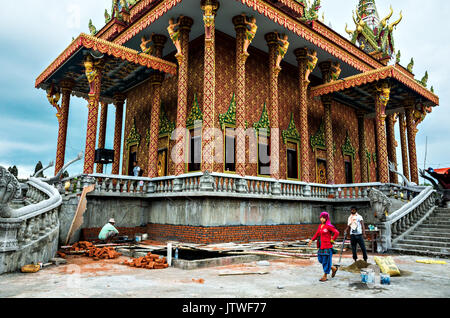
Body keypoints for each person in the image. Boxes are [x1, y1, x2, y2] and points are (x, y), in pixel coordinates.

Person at [308, 212, 339, 282]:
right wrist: (312, 240)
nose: (322, 219)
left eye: (323, 218)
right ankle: (333, 268)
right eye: (321, 217)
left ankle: (325, 275)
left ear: (326, 218)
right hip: (321, 246)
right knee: (320, 259)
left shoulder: (329, 226)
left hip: (327, 247)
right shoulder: (320, 226)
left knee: (325, 261)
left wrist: (332, 240)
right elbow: (317, 234)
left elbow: (337, 232)